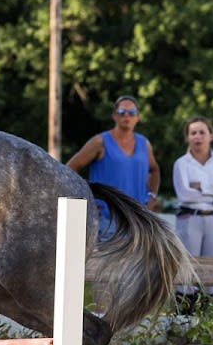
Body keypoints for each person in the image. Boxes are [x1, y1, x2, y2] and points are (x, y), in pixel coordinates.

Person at [67, 95, 160, 241]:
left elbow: (154, 170)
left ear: (138, 117)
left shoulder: (144, 144)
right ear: (115, 116)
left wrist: (153, 196)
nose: (127, 116)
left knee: (135, 264)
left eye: (132, 112)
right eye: (122, 112)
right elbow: (72, 167)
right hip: (107, 219)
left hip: (138, 219)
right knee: (106, 264)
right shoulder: (100, 141)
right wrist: (85, 197)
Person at [172, 116, 213, 305]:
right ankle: (184, 315)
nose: (197, 137)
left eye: (202, 132)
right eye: (193, 133)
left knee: (211, 268)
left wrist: (202, 187)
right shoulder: (181, 163)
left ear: (211, 135)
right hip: (190, 217)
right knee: (188, 267)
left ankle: (207, 313)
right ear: (188, 138)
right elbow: (184, 194)